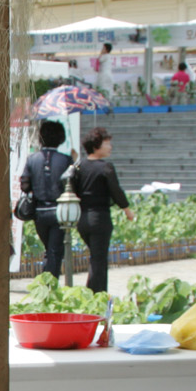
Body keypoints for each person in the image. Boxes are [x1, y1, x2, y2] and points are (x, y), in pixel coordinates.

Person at [70, 127, 136, 294]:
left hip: (83, 218)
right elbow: (116, 191)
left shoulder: (79, 166)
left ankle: (95, 293)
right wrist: (127, 210)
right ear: (96, 146)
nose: (110, 147)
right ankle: (95, 295)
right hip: (100, 218)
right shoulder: (106, 167)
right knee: (99, 259)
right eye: (107, 143)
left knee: (95, 257)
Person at [19, 120, 71, 279]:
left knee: (50, 249)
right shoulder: (66, 160)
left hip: (39, 212)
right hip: (59, 212)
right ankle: (49, 285)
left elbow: (24, 185)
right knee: (55, 250)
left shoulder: (32, 159)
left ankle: (47, 282)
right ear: (61, 138)